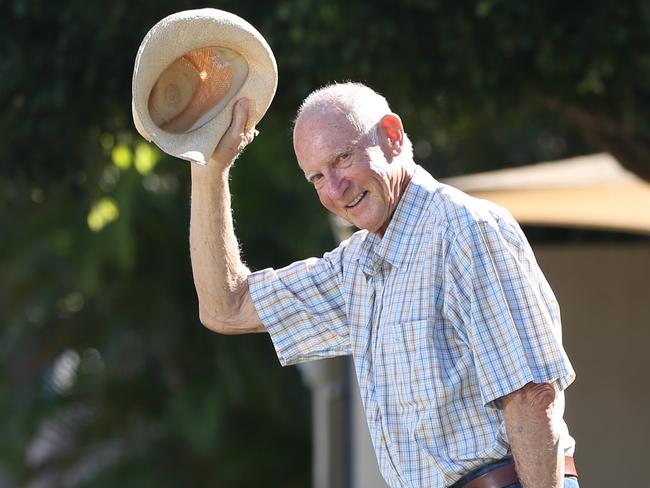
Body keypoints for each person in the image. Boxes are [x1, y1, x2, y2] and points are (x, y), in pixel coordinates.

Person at [189, 82, 579, 488]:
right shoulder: (356, 265)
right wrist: (209, 169)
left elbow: (532, 396)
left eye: (343, 158)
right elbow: (225, 308)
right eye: (317, 177)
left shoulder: (466, 229)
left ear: (393, 137)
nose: (335, 189)